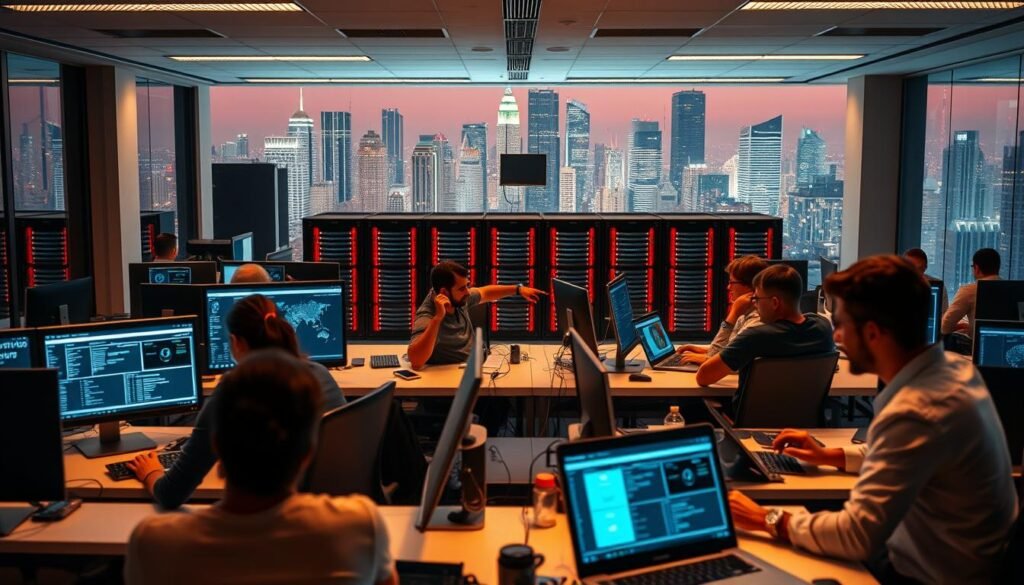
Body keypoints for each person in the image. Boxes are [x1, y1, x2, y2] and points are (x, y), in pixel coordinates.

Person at [729, 255, 1016, 584]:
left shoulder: (916, 409)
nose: (836, 337)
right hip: (953, 559)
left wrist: (769, 519)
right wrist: (832, 455)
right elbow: (908, 454)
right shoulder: (955, 371)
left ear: (874, 333)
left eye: (843, 325)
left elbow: (856, 536)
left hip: (926, 575)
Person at [125, 349, 394, 585]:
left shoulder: (153, 544)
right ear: (308, 451)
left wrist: (153, 473)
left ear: (216, 445)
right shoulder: (359, 526)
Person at [127, 294, 345, 509]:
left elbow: (170, 494)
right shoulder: (320, 374)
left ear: (236, 342)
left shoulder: (231, 393)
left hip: (257, 515)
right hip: (321, 511)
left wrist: (151, 472)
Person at [695, 263, 834, 387]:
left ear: (774, 303)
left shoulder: (754, 336)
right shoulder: (823, 327)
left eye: (757, 299)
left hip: (749, 416)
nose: (754, 303)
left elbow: (703, 377)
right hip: (806, 415)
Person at [407, 260, 545, 369]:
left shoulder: (459, 298)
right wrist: (437, 319)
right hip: (454, 379)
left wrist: (518, 290)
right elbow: (416, 361)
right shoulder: (427, 315)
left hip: (477, 365)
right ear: (444, 293)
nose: (467, 292)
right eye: (462, 288)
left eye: (467, 285)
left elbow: (485, 292)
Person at [676, 255, 767, 365]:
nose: (728, 287)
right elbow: (730, 347)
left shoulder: (756, 321)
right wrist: (701, 349)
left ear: (750, 286)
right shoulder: (746, 314)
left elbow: (715, 356)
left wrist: (732, 315)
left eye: (732, 282)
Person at [941, 247, 1001, 338]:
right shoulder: (1013, 289)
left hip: (975, 348)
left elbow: (944, 327)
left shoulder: (970, 291)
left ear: (976, 268)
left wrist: (964, 326)